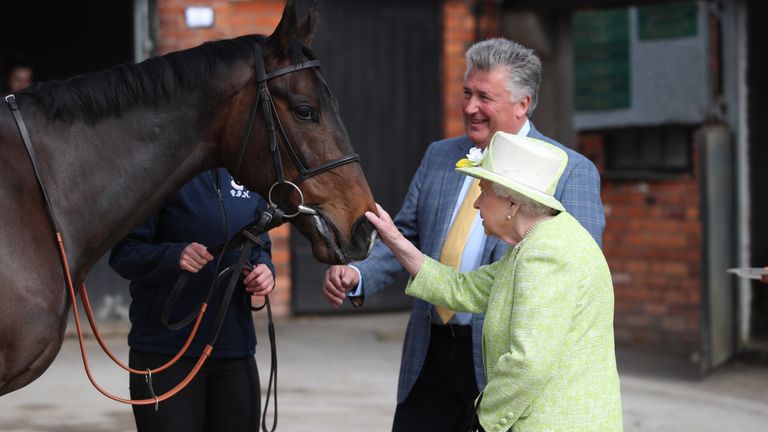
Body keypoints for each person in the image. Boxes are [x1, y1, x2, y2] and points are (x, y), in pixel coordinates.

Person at [322, 38, 605, 431]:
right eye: (466, 93)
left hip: (506, 363)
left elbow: (576, 277)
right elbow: (409, 234)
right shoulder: (440, 154)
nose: (470, 107)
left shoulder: (570, 170)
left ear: (523, 103)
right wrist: (361, 273)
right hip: (431, 351)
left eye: (485, 97)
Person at [365, 131, 623, 431]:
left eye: (482, 191)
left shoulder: (547, 255)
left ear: (512, 204)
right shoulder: (533, 245)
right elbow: (462, 288)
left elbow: (528, 364)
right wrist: (395, 240)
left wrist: (482, 419)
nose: (476, 204)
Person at [109, 168, 274, 432]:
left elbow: (259, 245)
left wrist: (265, 270)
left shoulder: (246, 172)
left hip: (235, 350)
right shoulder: (159, 172)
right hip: (167, 353)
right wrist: (175, 256)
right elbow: (123, 254)